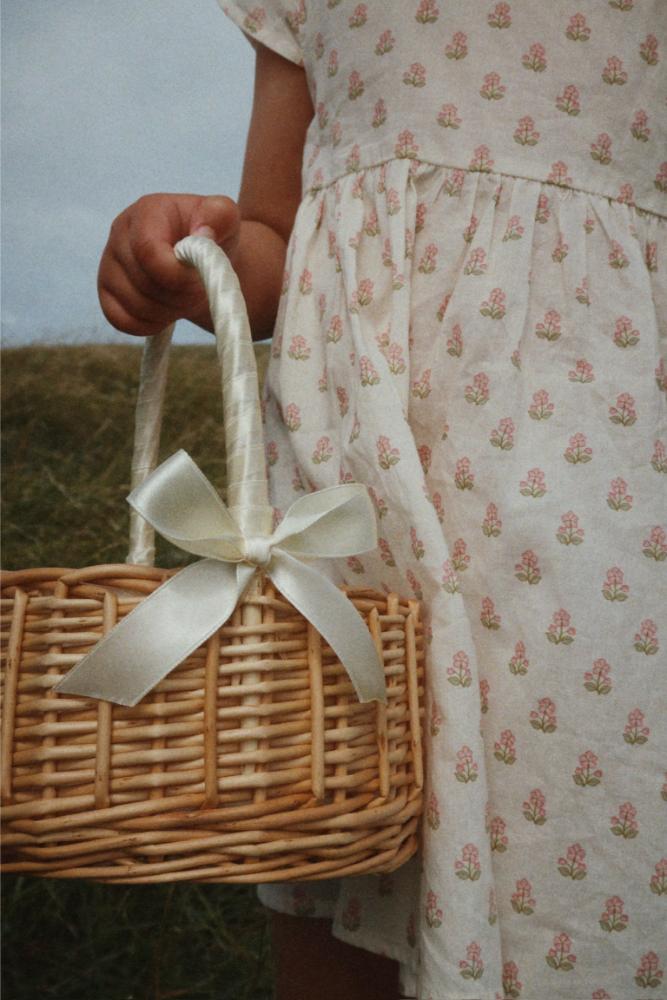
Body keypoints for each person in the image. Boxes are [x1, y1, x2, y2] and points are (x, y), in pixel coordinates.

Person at [98, 3, 666, 998]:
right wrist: (205, 257)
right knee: (342, 826)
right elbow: (274, 235)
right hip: (351, 449)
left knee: (581, 808)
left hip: (597, 446)